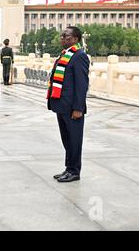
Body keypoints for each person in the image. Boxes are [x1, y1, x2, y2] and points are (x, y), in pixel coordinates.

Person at [47, 26, 90, 183]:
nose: (62, 38)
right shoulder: (66, 55)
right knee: (67, 139)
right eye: (62, 35)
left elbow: (82, 85)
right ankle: (68, 168)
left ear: (75, 39)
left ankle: (74, 171)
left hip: (72, 107)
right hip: (62, 105)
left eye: (66, 36)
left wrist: (78, 108)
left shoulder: (79, 56)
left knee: (74, 140)